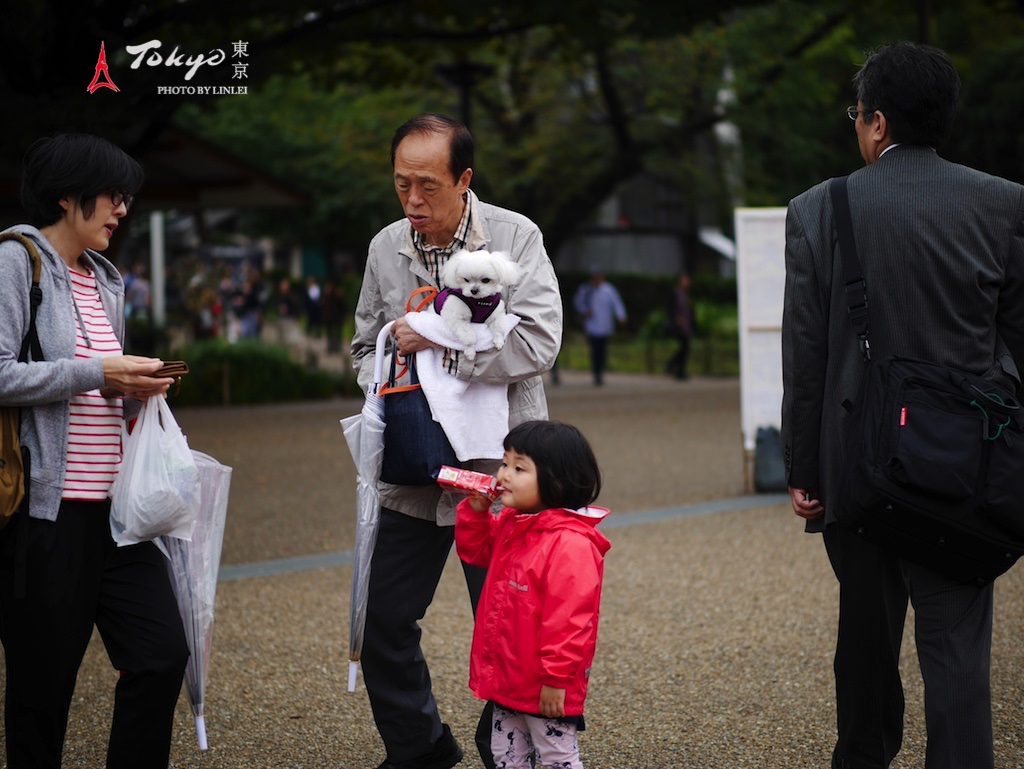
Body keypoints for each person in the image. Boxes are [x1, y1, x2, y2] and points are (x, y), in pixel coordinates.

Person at [781, 42, 1024, 769]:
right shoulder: (1006, 205)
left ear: (878, 123)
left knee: (866, 639)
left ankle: (864, 758)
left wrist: (804, 464)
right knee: (956, 656)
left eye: (857, 114)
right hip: (966, 469)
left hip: (859, 458)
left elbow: (807, 350)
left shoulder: (821, 208)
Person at [350, 113, 562, 769]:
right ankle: (419, 746)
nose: (413, 202)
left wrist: (443, 345)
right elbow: (364, 345)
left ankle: (504, 747)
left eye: (428, 186)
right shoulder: (387, 245)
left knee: (506, 625)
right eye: (401, 184)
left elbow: (540, 341)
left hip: (500, 474)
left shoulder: (516, 236)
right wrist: (387, 374)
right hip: (412, 466)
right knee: (380, 617)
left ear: (464, 179)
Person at [0, 133, 189, 768]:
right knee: (41, 688)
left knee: (163, 653)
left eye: (126, 197)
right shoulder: (12, 261)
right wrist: (100, 373)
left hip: (116, 514)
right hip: (46, 518)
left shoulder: (103, 280)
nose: (121, 209)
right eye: (113, 195)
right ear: (66, 195)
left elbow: (97, 389)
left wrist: (136, 389)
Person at [455, 421, 610, 769]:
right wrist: (477, 513)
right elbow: (476, 552)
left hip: (545, 684)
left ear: (557, 479)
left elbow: (570, 622)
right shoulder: (513, 523)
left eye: (519, 467)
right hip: (508, 676)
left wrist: (557, 680)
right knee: (506, 756)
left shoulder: (569, 544)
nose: (504, 475)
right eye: (505, 463)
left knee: (557, 757)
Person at [572, 270, 626, 386]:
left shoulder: (608, 290)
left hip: (605, 325)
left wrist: (621, 315)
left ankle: (601, 370)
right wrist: (585, 311)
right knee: (595, 350)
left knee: (602, 350)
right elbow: (578, 302)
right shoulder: (586, 290)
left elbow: (616, 303)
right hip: (592, 326)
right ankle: (596, 373)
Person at [664, 273, 695, 380]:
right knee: (684, 347)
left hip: (686, 325)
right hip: (679, 325)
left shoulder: (685, 294)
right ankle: (677, 368)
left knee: (685, 348)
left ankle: (676, 367)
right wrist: (676, 318)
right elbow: (670, 308)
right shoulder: (675, 293)